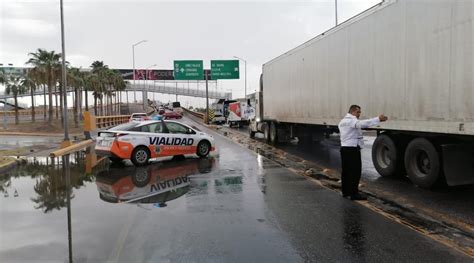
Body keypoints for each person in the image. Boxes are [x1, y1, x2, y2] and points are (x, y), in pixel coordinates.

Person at [338, 105, 388, 200]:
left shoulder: (342, 121)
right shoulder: (351, 120)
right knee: (355, 172)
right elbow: (363, 124)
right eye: (358, 112)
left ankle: (345, 192)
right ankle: (353, 194)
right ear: (352, 112)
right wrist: (378, 119)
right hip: (352, 149)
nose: (359, 114)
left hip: (344, 148)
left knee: (346, 171)